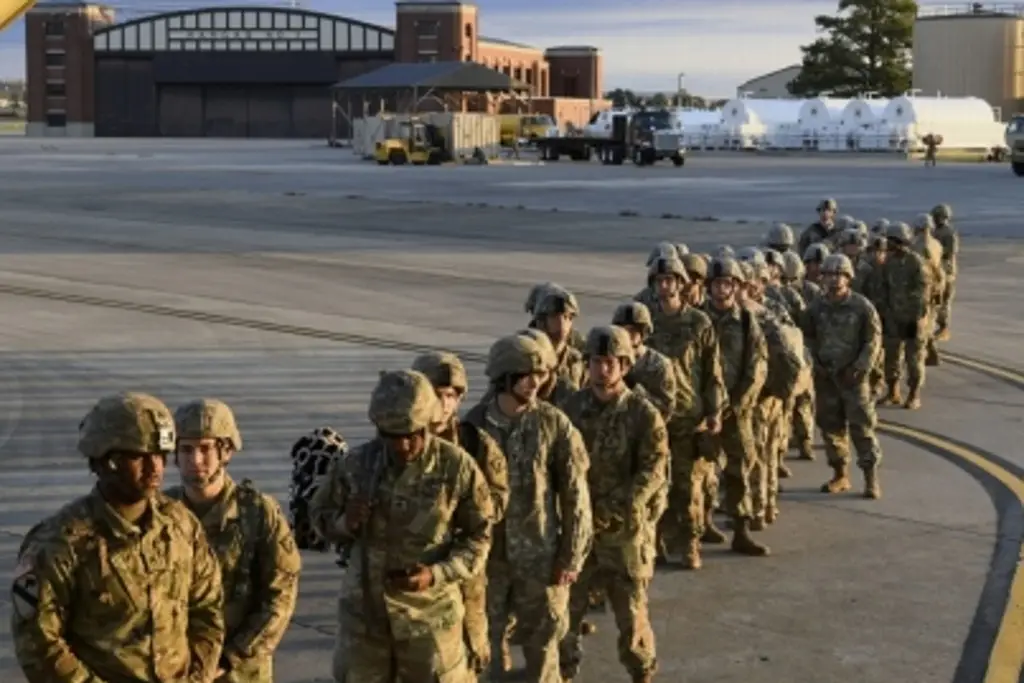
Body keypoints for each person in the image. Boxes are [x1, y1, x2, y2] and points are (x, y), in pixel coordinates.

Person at [11, 392, 225, 683]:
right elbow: (39, 642)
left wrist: (197, 676)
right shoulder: (60, 542)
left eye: (160, 455)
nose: (155, 468)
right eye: (139, 456)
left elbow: (207, 608)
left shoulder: (181, 525)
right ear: (104, 461)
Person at [310, 370, 494, 683]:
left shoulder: (457, 468)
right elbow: (317, 517)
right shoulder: (357, 465)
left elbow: (479, 538)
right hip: (366, 622)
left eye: (412, 434)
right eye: (392, 436)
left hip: (429, 621)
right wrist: (344, 523)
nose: (403, 444)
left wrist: (436, 574)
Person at [462, 334, 592, 683]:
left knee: (543, 647)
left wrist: (571, 556)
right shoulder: (472, 428)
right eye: (527, 374)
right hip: (488, 562)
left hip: (541, 559)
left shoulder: (553, 424)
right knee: (482, 648)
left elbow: (576, 497)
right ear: (505, 376)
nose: (537, 382)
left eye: (541, 373)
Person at [559, 325, 669, 683]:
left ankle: (641, 673)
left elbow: (652, 473)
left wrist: (612, 510)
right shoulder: (571, 409)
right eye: (596, 362)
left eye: (610, 363)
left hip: (624, 535)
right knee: (565, 613)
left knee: (631, 618)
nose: (602, 370)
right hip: (578, 533)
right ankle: (563, 670)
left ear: (624, 366)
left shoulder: (643, 414)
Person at [168, 398, 301, 682]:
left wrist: (229, 659)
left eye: (205, 449)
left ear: (225, 451)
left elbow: (279, 598)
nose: (195, 461)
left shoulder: (258, 513)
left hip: (238, 672)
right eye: (186, 450)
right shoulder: (162, 513)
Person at [802, 255, 884, 498]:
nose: (835, 279)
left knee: (862, 427)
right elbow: (807, 338)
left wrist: (860, 367)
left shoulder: (862, 307)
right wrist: (814, 364)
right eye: (829, 274)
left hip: (854, 379)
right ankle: (840, 474)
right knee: (831, 427)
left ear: (848, 278)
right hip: (826, 377)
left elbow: (873, 340)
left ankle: (871, 478)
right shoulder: (815, 308)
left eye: (840, 275)